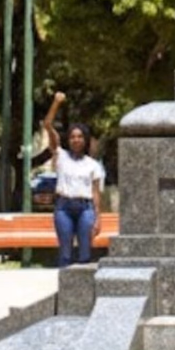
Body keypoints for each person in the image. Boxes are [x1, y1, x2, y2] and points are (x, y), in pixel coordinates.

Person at [42, 92, 104, 267]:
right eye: (72, 137)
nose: (76, 140)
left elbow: (95, 193)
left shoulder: (92, 165)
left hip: (85, 208)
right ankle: (64, 287)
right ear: (68, 140)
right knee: (65, 252)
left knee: (85, 252)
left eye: (79, 137)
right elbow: (47, 125)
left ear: (85, 140)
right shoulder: (61, 155)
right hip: (64, 208)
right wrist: (56, 103)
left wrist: (98, 218)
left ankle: (82, 288)